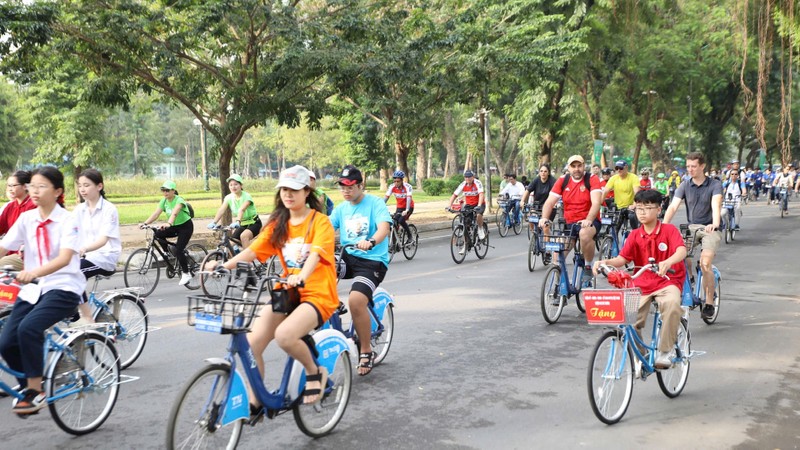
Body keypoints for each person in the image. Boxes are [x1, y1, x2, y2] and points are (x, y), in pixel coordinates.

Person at [204, 165, 338, 408]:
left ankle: (314, 371)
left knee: (285, 336)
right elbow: (254, 250)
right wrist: (224, 264)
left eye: (294, 190)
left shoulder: (320, 222)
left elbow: (316, 255)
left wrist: (302, 276)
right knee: (252, 344)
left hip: (317, 294)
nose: (288, 194)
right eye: (284, 189)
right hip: (287, 291)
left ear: (306, 191)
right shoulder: (278, 221)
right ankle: (257, 401)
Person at [0, 166, 84, 414]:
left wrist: (34, 272)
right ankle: (29, 388)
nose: (34, 191)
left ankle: (36, 390)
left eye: (41, 186)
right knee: (5, 342)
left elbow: (65, 258)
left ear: (58, 191)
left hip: (64, 287)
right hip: (33, 290)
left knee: (29, 328)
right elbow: (5, 247)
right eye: (32, 186)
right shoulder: (26, 219)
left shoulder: (68, 220)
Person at [593, 189, 687, 369]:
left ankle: (665, 351)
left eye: (647, 208)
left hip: (668, 281)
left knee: (672, 304)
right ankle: (641, 354)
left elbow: (681, 250)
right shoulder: (635, 234)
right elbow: (623, 259)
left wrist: (668, 262)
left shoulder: (669, 230)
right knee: (627, 318)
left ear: (659, 210)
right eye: (639, 208)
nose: (642, 212)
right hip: (642, 283)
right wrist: (605, 262)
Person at [330, 165, 392, 376]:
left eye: (350, 187)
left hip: (372, 261)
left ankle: (366, 350)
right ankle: (331, 301)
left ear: (360, 185)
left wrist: (372, 240)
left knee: (356, 301)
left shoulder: (374, 203)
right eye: (342, 187)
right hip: (349, 257)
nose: (345, 191)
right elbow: (326, 229)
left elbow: (384, 227)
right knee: (321, 268)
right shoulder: (341, 209)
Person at [663, 151, 722, 320]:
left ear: (702, 166)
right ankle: (689, 277)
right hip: (691, 228)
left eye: (693, 166)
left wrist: (715, 223)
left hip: (709, 228)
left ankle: (709, 302)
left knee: (705, 263)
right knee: (676, 255)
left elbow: (715, 204)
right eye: (688, 166)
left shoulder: (714, 184)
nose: (690, 170)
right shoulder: (685, 185)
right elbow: (673, 206)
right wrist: (664, 226)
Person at [540, 155, 602, 286]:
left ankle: (588, 267)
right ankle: (559, 285)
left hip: (589, 221)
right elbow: (549, 202)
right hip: (569, 223)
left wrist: (588, 220)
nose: (577, 169)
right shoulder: (563, 180)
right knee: (557, 255)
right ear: (569, 168)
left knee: (584, 234)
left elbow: (596, 202)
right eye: (573, 166)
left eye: (579, 166)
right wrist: (544, 218)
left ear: (584, 166)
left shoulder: (592, 179)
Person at [72, 169, 121, 325]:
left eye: (86, 185)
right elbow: (68, 231)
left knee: (75, 273)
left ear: (99, 186)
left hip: (105, 256)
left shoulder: (109, 209)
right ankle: (72, 312)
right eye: (80, 186)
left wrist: (84, 248)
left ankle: (87, 318)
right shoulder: (79, 209)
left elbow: (103, 239)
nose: (82, 189)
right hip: (85, 256)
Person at [140, 180, 194, 286]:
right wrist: (145, 223)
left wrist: (169, 223)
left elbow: (175, 213)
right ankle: (167, 252)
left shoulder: (179, 200)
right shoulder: (164, 201)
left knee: (179, 250)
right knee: (158, 233)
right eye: (163, 190)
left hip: (185, 227)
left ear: (173, 191)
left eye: (167, 190)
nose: (165, 192)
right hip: (174, 227)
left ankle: (186, 273)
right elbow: (156, 214)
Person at [208, 174, 262, 249]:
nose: (233, 187)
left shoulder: (247, 196)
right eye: (231, 185)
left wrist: (237, 221)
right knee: (229, 245)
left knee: (244, 237)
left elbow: (242, 209)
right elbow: (222, 210)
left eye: (236, 184)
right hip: (242, 224)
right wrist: (214, 222)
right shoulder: (228, 197)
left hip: (254, 223)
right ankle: (236, 257)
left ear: (241, 185)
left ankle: (248, 259)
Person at [0, 171, 35, 271]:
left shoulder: (32, 206)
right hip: (9, 251)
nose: (10, 189)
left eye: (13, 185)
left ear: (25, 186)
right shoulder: (11, 206)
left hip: (25, 255)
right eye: (8, 186)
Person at [447, 170, 487, 239]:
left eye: (469, 177)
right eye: (466, 177)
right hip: (469, 205)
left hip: (479, 203)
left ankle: (480, 229)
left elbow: (481, 195)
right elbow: (454, 195)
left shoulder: (477, 183)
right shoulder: (463, 184)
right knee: (465, 220)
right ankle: (466, 241)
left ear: (473, 177)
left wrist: (479, 205)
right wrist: (449, 206)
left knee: (478, 215)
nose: (467, 179)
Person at [602, 160, 640, 230]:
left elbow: (637, 193)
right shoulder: (613, 178)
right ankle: (612, 240)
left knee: (632, 217)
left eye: (621, 168)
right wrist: (599, 202)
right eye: (617, 168)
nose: (618, 170)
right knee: (614, 228)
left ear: (626, 168)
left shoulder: (633, 177)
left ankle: (636, 233)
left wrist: (634, 204)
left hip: (630, 207)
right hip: (618, 207)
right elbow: (605, 191)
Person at [383, 170, 414, 242]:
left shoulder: (408, 187)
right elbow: (386, 198)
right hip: (399, 207)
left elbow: (409, 198)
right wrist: (379, 207)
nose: (396, 183)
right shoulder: (392, 187)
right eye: (395, 181)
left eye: (398, 181)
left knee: (401, 220)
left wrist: (406, 210)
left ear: (402, 181)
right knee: (394, 222)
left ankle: (410, 236)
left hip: (409, 206)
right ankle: (395, 242)